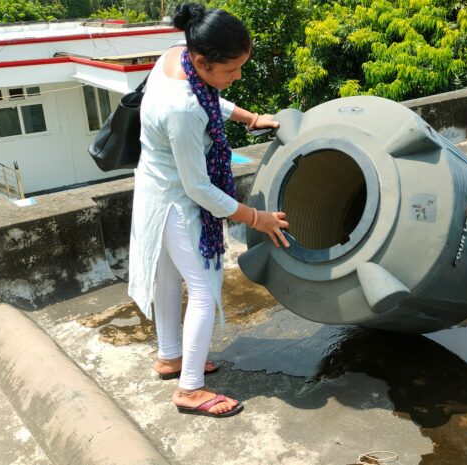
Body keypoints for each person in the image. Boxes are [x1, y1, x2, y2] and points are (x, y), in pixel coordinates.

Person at [128, 3, 290, 417]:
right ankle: (190, 389)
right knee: (203, 290)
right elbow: (198, 187)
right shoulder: (182, 109)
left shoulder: (174, 57)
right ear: (202, 60)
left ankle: (170, 356)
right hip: (175, 199)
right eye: (231, 70)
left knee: (165, 277)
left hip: (154, 187)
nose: (236, 77)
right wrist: (257, 218)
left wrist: (250, 117)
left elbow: (208, 99)